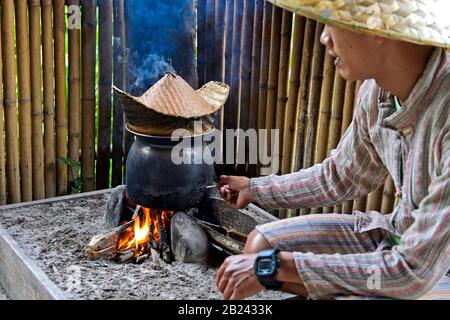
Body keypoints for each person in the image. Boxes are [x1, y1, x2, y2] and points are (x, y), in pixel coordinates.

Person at [216, 0, 449, 300]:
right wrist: (256, 189)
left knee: (274, 266)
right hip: (395, 236)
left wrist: (277, 267)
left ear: (377, 26)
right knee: (261, 246)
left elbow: (412, 272)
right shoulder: (377, 93)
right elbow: (340, 176)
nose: (324, 37)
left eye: (333, 22)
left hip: (431, 268)